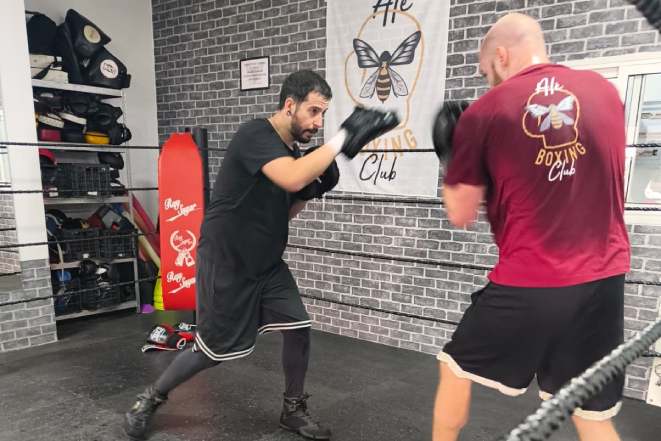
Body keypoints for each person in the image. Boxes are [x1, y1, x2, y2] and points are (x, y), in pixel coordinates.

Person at [124, 70, 399, 440]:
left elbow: (285, 208)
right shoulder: (255, 135)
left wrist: (313, 190)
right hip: (228, 262)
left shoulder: (290, 154)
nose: (318, 122)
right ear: (289, 105)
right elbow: (292, 177)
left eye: (323, 114)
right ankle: (151, 397)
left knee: (298, 328)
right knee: (210, 351)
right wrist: (343, 138)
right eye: (313, 111)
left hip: (266, 264)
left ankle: (293, 409)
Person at [431, 13, 630, 441]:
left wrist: (452, 156)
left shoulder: (485, 112)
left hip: (531, 279)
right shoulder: (607, 91)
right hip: (605, 280)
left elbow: (461, 214)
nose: (487, 81)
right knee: (589, 411)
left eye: (485, 72)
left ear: (501, 56)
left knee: (454, 366)